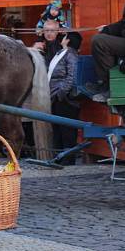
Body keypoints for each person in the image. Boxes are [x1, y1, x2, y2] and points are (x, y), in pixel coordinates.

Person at [48, 31, 83, 165]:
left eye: (63, 37)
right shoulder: (62, 53)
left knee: (67, 131)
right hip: (56, 96)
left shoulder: (71, 54)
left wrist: (61, 93)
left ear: (67, 40)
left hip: (64, 98)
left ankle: (68, 160)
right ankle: (59, 158)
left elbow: (72, 76)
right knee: (58, 130)